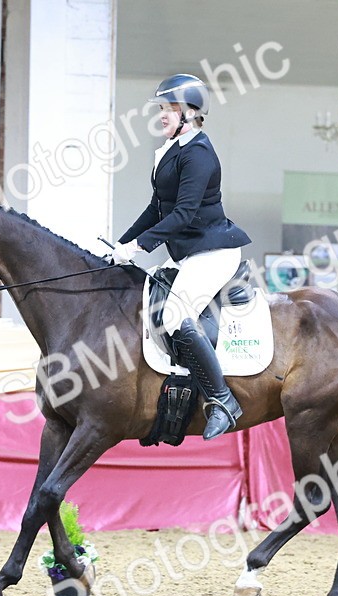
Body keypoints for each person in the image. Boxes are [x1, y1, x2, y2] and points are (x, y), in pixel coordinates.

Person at [110, 74, 252, 440]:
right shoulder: (171, 151)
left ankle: (222, 400)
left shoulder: (200, 153)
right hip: (187, 252)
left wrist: (140, 247)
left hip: (213, 251)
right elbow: (156, 209)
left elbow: (184, 213)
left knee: (175, 315)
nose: (162, 116)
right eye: (161, 109)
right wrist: (119, 247)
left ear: (189, 113)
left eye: (169, 109)